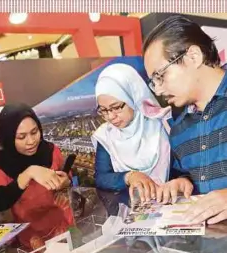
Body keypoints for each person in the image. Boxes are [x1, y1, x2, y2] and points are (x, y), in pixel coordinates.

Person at [143, 15, 227, 224]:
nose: (159, 90)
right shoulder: (179, 130)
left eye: (160, 75)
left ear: (193, 57)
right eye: (153, 82)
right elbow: (186, 172)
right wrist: (182, 182)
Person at [0, 103, 73, 249]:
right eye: (21, 137)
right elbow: (1, 202)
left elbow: (68, 178)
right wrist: (28, 173)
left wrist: (65, 181)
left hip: (64, 227)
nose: (31, 141)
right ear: (7, 138)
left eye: (34, 132)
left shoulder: (50, 150)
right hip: (32, 238)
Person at [92, 63, 172, 203]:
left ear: (133, 97)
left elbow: (184, 169)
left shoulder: (163, 123)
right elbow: (101, 178)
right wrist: (128, 176)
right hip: (129, 208)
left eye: (116, 107)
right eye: (103, 110)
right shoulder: (105, 135)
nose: (110, 117)